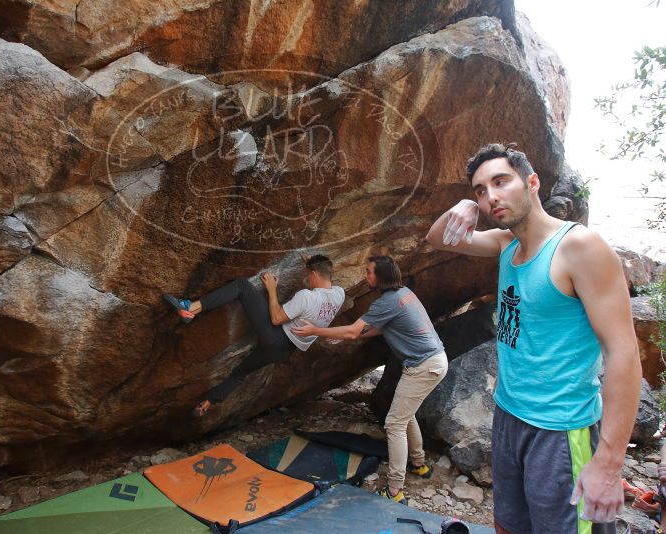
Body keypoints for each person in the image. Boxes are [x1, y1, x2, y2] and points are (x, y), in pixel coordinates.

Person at [425, 143, 641, 533]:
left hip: (561, 429)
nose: (491, 196)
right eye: (480, 189)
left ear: (532, 182)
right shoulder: (507, 245)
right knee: (509, 525)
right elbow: (439, 239)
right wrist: (463, 207)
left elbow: (622, 351)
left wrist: (609, 464)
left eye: (500, 181)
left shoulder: (579, 248)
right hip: (509, 416)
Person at [292, 255, 447, 504]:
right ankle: (418, 464)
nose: (366, 275)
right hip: (434, 361)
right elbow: (378, 329)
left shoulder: (387, 301)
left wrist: (315, 330)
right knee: (405, 415)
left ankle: (395, 490)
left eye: (369, 272)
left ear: (381, 276)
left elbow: (355, 329)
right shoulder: (403, 293)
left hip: (423, 366)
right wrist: (344, 337)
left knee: (394, 423)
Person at [163, 254, 344, 417]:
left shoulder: (306, 296)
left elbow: (276, 318)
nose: (306, 278)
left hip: (275, 336)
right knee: (240, 373)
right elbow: (323, 276)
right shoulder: (339, 294)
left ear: (313, 273)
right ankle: (207, 403)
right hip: (284, 351)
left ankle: (190, 309)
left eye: (307, 274)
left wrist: (272, 289)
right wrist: (311, 262)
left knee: (242, 286)